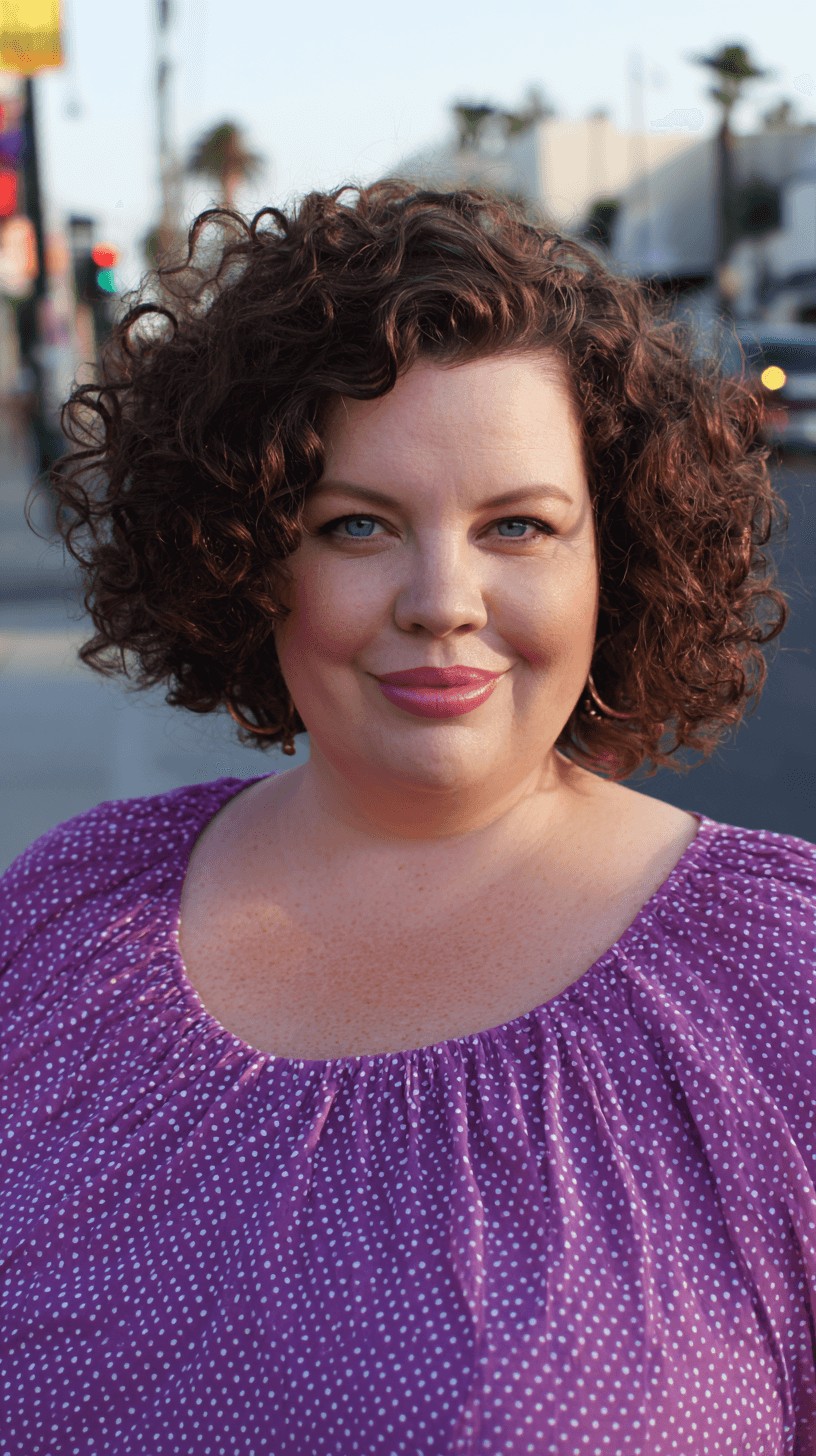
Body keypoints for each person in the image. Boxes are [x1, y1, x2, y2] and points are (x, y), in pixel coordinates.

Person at [2, 178, 815, 1455]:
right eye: (360, 524)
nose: (443, 597)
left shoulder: (784, 985)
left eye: (519, 527)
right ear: (248, 549)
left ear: (621, 553)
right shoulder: (63, 917)